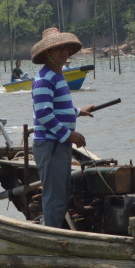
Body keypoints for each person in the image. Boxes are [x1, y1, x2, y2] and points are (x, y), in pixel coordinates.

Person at [30, 27, 96, 229]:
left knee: (61, 193)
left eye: (65, 47)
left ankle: (55, 231)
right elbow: (43, 115)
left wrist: (78, 112)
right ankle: (52, 235)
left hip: (58, 144)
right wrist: (69, 135)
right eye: (58, 49)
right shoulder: (44, 79)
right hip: (51, 145)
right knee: (55, 196)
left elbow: (57, 108)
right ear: (47, 54)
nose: (64, 52)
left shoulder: (58, 77)